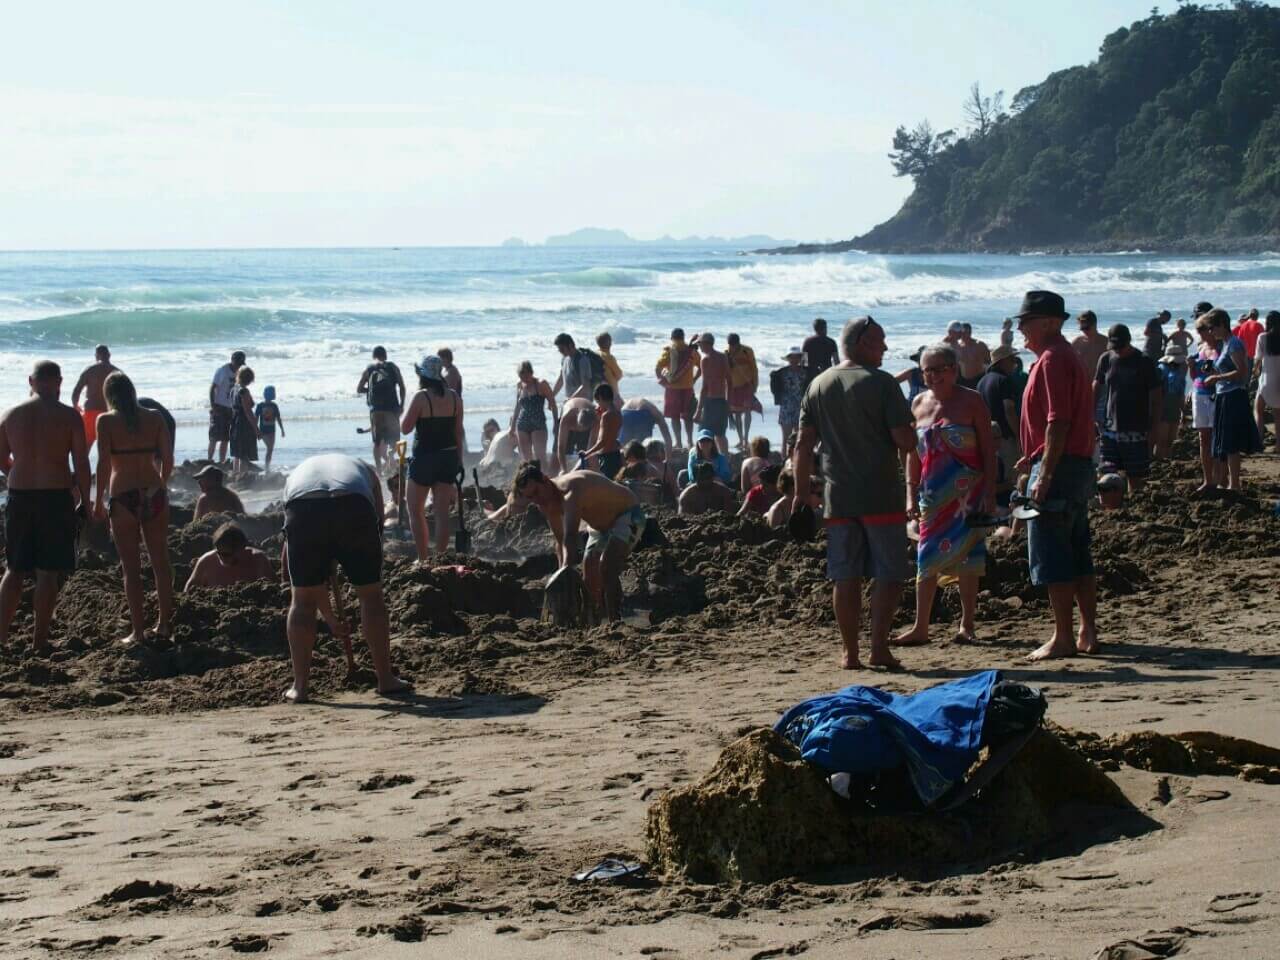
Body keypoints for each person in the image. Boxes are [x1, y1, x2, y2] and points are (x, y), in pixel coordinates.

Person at [793, 316, 915, 671]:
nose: (886, 348)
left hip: (838, 498)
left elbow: (803, 445)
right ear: (862, 343)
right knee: (889, 575)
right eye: (881, 340)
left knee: (844, 576)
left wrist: (801, 495)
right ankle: (878, 647)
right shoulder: (882, 383)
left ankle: (850, 653)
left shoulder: (818, 384)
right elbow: (905, 441)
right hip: (880, 495)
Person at [1012, 290, 1099, 661]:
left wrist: (1043, 472)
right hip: (1072, 463)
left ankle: (1063, 636)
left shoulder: (1052, 359)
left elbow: (1058, 420)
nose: (1021, 331)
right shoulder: (1065, 357)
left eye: (1026, 323)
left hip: (1060, 466)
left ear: (1048, 322)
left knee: (1053, 553)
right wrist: (1033, 458)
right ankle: (1086, 631)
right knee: (1078, 548)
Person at [281, 453, 409, 702]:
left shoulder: (297, 475)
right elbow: (378, 521)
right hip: (353, 506)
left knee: (302, 601)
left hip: (304, 507)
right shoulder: (365, 471)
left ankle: (300, 687)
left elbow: (306, 574)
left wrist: (328, 615)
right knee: (371, 596)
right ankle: (385, 679)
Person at [893, 344, 997, 648]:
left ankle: (967, 625)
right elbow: (912, 454)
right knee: (926, 558)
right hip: (932, 495)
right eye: (928, 370)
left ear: (954, 369)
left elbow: (988, 451)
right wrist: (910, 494)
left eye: (941, 368)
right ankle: (920, 626)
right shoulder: (918, 404)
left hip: (969, 494)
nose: (934, 375)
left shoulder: (973, 401)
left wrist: (990, 492)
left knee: (969, 558)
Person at [0, 361, 91, 654]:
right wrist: (86, 500)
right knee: (47, 573)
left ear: (31, 380)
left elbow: (2, 461)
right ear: (59, 382)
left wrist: (19, 470)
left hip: (20, 495)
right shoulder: (69, 417)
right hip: (55, 496)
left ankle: (0, 639)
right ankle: (39, 642)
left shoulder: (10, 415)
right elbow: (81, 462)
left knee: (14, 570)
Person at [94, 371, 174, 645]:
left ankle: (138, 631)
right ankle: (164, 625)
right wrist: (160, 487)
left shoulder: (105, 421)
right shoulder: (154, 417)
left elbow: (104, 464)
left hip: (123, 495)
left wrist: (98, 501)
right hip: (154, 492)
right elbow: (168, 458)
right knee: (160, 562)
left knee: (131, 568)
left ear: (109, 395)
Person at [512, 459, 644, 622]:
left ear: (545, 480)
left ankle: (615, 620)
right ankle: (593, 618)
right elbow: (560, 541)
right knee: (589, 569)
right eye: (530, 497)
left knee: (607, 565)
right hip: (599, 528)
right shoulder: (545, 503)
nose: (536, 500)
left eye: (536, 492)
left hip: (627, 514)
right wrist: (562, 573)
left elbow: (570, 536)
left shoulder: (569, 490)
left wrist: (566, 568)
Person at [401, 355, 464, 562]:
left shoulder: (421, 397)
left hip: (425, 458)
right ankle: (441, 557)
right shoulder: (455, 397)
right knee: (442, 512)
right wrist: (459, 460)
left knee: (415, 509)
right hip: (448, 457)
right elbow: (457, 432)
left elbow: (405, 428)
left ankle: (423, 559)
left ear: (422, 376)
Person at [1094, 324, 1161, 494]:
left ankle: (1133, 508)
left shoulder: (1143, 361)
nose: (1118, 350)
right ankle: (1111, 509)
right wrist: (1092, 415)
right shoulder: (1106, 358)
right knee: (1107, 474)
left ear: (1129, 341)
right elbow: (1096, 386)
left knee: (1135, 476)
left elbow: (1156, 396)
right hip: (1109, 428)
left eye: (1121, 346)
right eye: (1115, 346)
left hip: (1136, 429)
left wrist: (1154, 427)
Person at [1200, 308, 1262, 490]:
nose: (1211, 332)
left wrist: (1217, 378)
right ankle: (1228, 483)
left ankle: (1234, 484)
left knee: (1231, 441)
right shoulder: (1226, 343)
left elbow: (1242, 372)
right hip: (1225, 394)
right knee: (1226, 441)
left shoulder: (1233, 343)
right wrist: (1214, 372)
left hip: (1233, 395)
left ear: (1222, 325)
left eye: (1212, 328)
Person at [976, 345, 1022, 496]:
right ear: (1002, 362)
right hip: (1005, 436)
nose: (1015, 364)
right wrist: (1019, 435)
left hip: (988, 436)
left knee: (994, 475)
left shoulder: (982, 382)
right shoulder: (1004, 381)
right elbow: (1009, 410)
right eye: (1012, 360)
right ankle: (1011, 512)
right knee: (1012, 476)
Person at [356, 346, 406, 475]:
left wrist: (370, 390)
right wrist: (402, 405)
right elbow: (402, 386)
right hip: (391, 409)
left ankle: (379, 471)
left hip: (376, 411)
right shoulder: (393, 367)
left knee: (377, 442)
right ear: (386, 355)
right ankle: (392, 464)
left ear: (374, 356)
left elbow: (359, 389)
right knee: (394, 442)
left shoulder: (369, 369)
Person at [184, 522, 272, 590]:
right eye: (218, 552)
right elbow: (188, 591)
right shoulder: (206, 562)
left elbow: (274, 589)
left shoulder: (258, 560)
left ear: (242, 549)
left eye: (227, 554)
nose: (221, 557)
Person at [1189, 302, 1218, 490]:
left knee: (1218, 437)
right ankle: (1208, 479)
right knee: (1203, 438)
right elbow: (1195, 377)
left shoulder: (1222, 345)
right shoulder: (1201, 346)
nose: (1199, 334)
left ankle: (1220, 477)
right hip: (1199, 392)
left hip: (1215, 395)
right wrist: (1192, 367)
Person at [654, 328, 700, 447]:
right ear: (683, 337)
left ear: (672, 338)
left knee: (675, 417)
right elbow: (701, 368)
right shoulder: (692, 352)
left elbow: (657, 368)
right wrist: (693, 379)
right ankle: (690, 441)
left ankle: (678, 442)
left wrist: (663, 381)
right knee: (688, 416)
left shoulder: (669, 351)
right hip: (688, 388)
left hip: (672, 389)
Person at [70, 345, 119, 451]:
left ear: (97, 356)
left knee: (84, 450)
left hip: (91, 412)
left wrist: (76, 407)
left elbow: (76, 392)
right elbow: (124, 396)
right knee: (110, 451)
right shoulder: (117, 372)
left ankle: (82, 468)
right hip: (109, 414)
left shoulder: (90, 370)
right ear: (109, 355)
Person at [511, 361, 557, 471]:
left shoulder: (541, 384)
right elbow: (517, 407)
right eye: (521, 376)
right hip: (522, 424)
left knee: (540, 457)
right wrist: (512, 427)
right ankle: (529, 482)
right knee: (526, 458)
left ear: (531, 372)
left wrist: (556, 423)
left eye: (526, 375)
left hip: (538, 423)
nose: (524, 379)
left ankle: (545, 480)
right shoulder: (519, 385)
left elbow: (553, 404)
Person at [1071, 310, 1109, 430]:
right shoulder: (1077, 343)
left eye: (1087, 328)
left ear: (1095, 324)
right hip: (1082, 387)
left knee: (1102, 421)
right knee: (1083, 422)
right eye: (1082, 328)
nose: (1084, 331)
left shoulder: (1105, 342)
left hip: (1102, 387)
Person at [693, 333, 731, 454]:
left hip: (710, 401)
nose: (699, 346)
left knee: (704, 434)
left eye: (700, 344)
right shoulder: (723, 357)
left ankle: (703, 460)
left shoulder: (705, 359)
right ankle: (725, 461)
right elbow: (730, 381)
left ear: (706, 344)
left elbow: (705, 387)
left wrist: (698, 410)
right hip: (722, 401)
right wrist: (728, 402)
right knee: (720, 435)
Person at [579, 383, 623, 478]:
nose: (598, 405)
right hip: (616, 454)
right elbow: (611, 435)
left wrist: (587, 453)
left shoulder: (606, 416)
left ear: (600, 398)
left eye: (598, 402)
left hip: (607, 458)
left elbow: (602, 442)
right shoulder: (618, 413)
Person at [209, 350, 245, 462]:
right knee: (214, 437)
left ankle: (222, 461)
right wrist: (213, 406)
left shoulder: (240, 372)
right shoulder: (222, 371)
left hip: (231, 408)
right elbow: (212, 388)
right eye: (238, 363)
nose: (239, 366)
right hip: (219, 406)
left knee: (225, 438)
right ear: (232, 361)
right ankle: (209, 459)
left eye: (241, 364)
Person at [1153, 345, 1188, 460]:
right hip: (1164, 403)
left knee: (1170, 439)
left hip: (1172, 404)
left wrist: (1183, 410)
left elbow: (1181, 393)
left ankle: (1166, 459)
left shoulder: (1179, 371)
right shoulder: (1161, 370)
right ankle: (1159, 460)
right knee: (1162, 439)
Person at [726, 333, 759, 449]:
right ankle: (741, 440)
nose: (732, 347)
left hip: (746, 385)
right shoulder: (726, 353)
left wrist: (755, 384)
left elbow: (754, 368)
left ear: (738, 343)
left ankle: (746, 438)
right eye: (730, 345)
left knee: (747, 411)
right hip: (733, 387)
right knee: (737, 414)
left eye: (734, 345)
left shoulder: (747, 351)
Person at [1253, 311, 1280, 453]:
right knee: (1278, 415)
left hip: (1266, 380)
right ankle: (1279, 446)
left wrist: (1255, 372)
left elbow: (1258, 359)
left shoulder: (1262, 337)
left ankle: (1258, 442)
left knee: (1258, 411)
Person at [228, 366, 260, 478]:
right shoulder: (243, 391)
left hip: (235, 422)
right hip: (243, 424)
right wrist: (256, 429)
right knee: (244, 454)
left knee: (237, 453)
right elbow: (248, 412)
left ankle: (235, 475)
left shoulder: (233, 389)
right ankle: (243, 478)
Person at [772, 347, 808, 440]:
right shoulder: (781, 372)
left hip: (800, 407)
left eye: (797, 357)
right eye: (792, 357)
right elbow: (774, 387)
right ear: (788, 358)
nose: (794, 360)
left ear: (800, 358)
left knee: (798, 438)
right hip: (786, 406)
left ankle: (795, 455)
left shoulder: (806, 372)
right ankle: (784, 455)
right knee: (786, 438)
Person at [555, 397, 596, 473]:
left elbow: (591, 446)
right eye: (580, 428)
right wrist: (564, 469)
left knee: (585, 452)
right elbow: (561, 446)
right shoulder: (567, 418)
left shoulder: (595, 417)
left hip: (588, 409)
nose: (581, 430)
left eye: (585, 429)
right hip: (569, 410)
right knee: (566, 451)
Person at [553, 333, 595, 401]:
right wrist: (552, 396)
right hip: (571, 401)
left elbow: (585, 386)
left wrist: (571, 400)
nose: (560, 351)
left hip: (583, 402)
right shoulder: (564, 358)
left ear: (570, 345)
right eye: (559, 349)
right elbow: (561, 379)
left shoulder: (582, 360)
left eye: (562, 349)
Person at [254, 385, 284, 472]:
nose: (274, 394)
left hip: (272, 431)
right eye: (273, 392)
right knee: (269, 448)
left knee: (270, 450)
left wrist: (282, 429)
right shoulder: (260, 405)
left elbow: (278, 418)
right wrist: (256, 431)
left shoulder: (274, 405)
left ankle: (267, 467)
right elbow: (256, 419)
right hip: (263, 431)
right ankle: (267, 468)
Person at [645, 438, 679, 504]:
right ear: (659, 452)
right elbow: (675, 488)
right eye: (663, 450)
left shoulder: (643, 465)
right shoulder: (665, 467)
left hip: (647, 502)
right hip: (664, 502)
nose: (664, 453)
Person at [765, 464, 797, 529]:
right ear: (790, 486)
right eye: (796, 483)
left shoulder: (799, 504)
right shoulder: (777, 509)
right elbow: (775, 535)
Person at [596, 332, 623, 404]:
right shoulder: (608, 357)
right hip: (611, 392)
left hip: (598, 392)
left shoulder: (595, 355)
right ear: (609, 343)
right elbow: (619, 375)